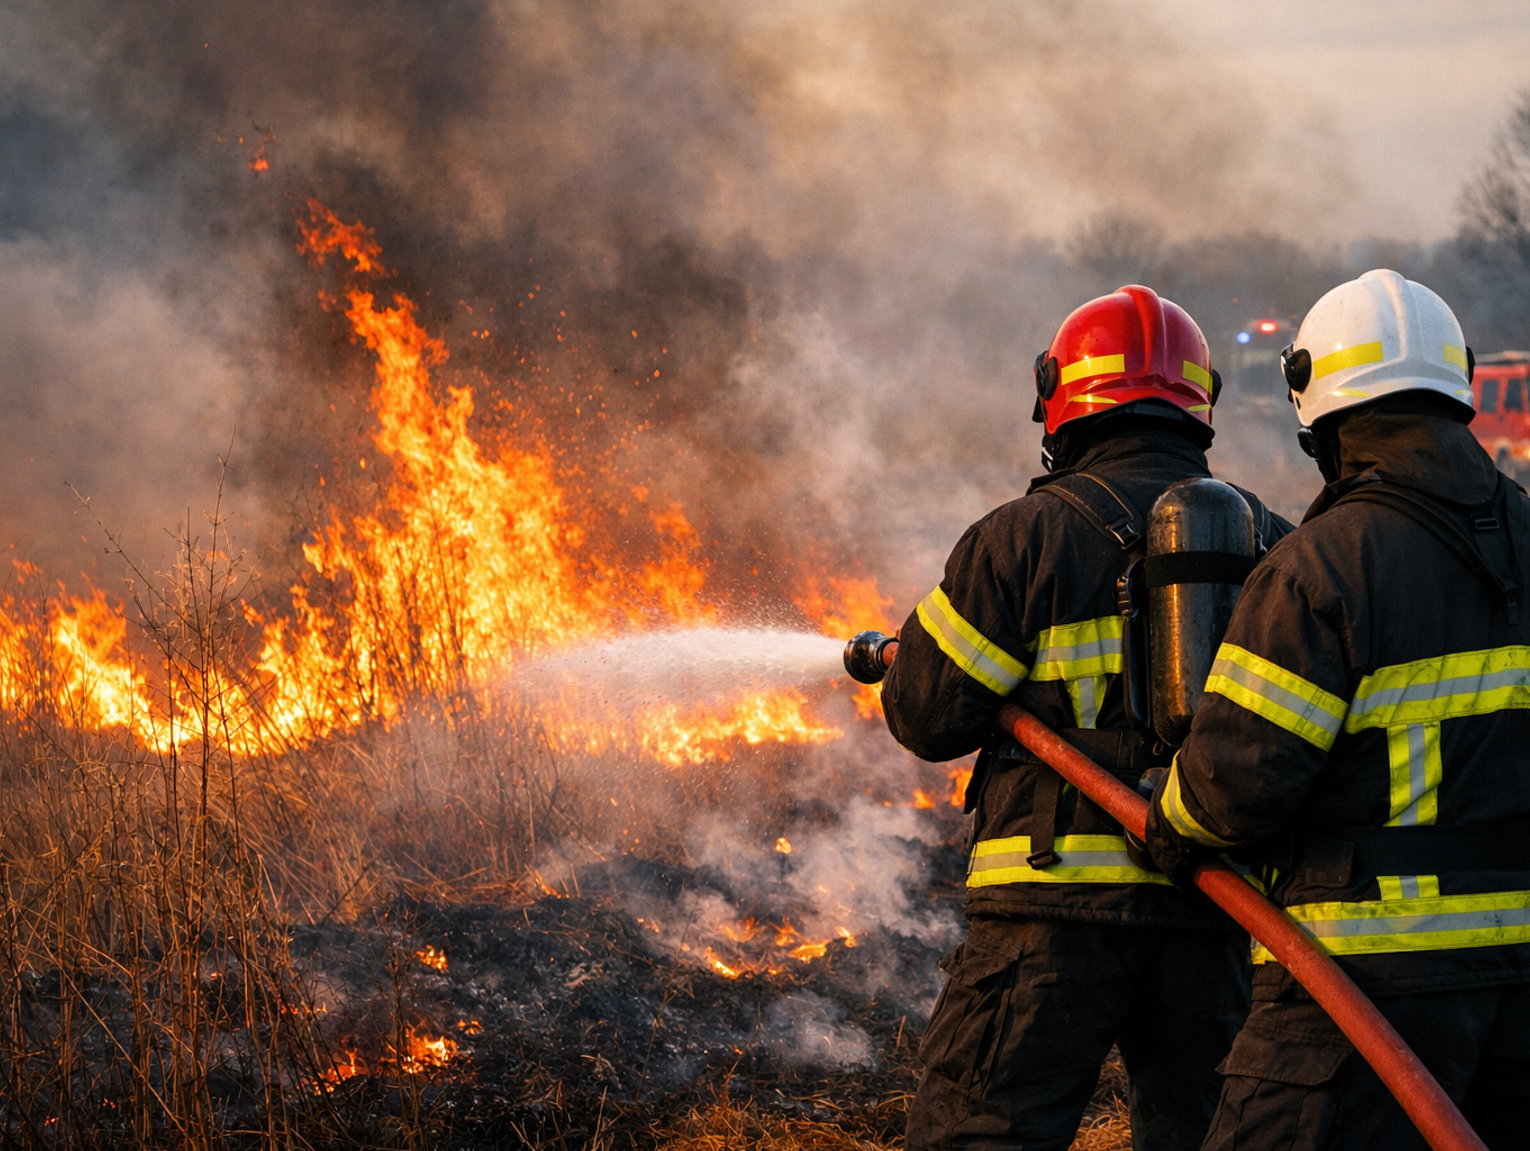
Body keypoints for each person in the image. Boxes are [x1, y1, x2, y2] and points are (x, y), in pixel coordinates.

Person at [882, 285, 1294, 1150]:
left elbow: (926, 714)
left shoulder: (1020, 539)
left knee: (981, 1135)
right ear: (1201, 399)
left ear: (1060, 396)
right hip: (1213, 909)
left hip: (1047, 905)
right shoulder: (1277, 544)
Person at [1144, 269, 1530, 1149]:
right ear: (1457, 386)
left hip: (1362, 989)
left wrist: (1166, 815)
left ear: (1319, 411)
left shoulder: (1320, 568)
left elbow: (1229, 791)